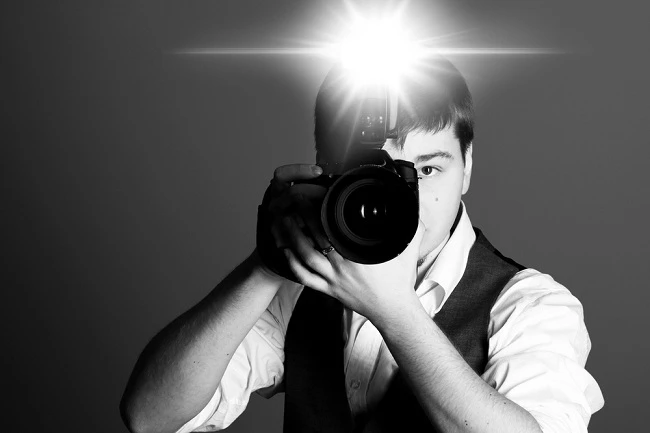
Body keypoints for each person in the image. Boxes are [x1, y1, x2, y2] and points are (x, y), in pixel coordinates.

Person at [120, 56, 604, 433]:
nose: (403, 199)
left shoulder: (529, 306)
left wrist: (395, 312)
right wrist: (264, 265)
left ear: (467, 167)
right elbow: (150, 418)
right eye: (373, 175)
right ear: (326, 169)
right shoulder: (302, 283)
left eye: (426, 170)